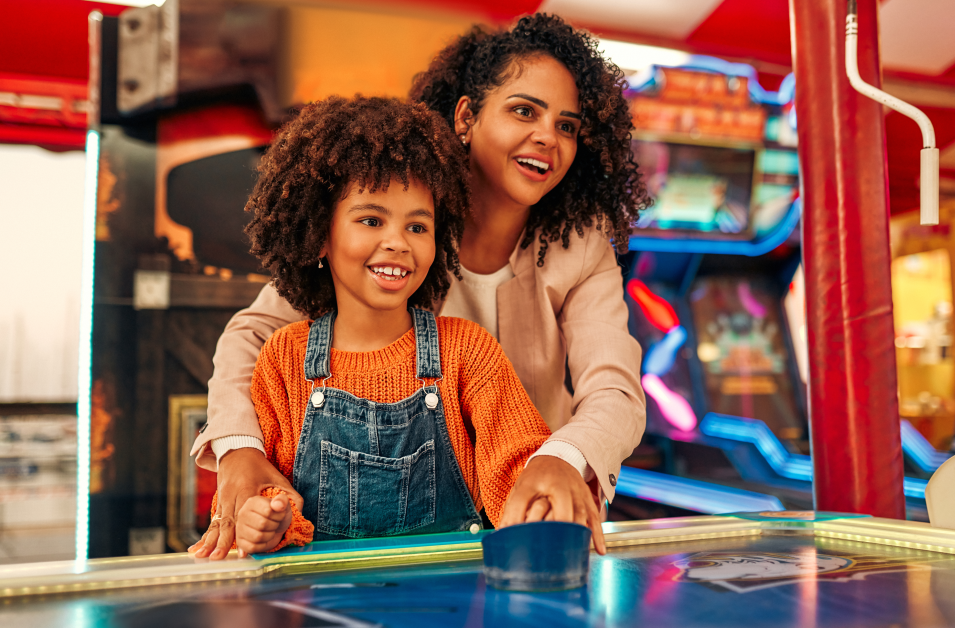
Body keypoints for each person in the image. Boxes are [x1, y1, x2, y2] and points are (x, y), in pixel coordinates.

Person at [191, 13, 650, 559]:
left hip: (527, 511)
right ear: (466, 117)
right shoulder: (391, 227)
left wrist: (563, 459)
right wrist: (240, 452)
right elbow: (252, 335)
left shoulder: (580, 244)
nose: (547, 137)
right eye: (524, 111)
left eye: (567, 125)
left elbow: (615, 391)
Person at [217, 96, 553, 553]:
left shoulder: (469, 351)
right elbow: (272, 493)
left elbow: (517, 465)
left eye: (418, 227)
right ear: (319, 235)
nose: (397, 242)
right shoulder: (283, 358)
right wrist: (267, 520)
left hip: (449, 604)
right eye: (371, 220)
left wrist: (542, 495)